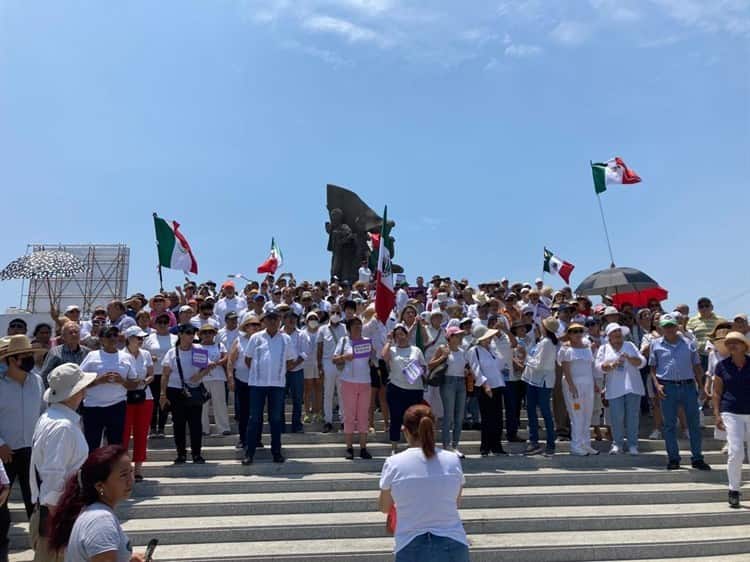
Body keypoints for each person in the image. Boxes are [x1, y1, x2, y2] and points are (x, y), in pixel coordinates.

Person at [378, 405, 469, 562]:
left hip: (410, 544)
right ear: (432, 429)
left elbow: (384, 507)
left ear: (404, 430)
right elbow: (455, 502)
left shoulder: (393, 463)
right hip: (453, 542)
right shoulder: (452, 460)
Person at [30, 363, 97, 562]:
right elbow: (53, 479)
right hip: (58, 517)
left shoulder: (50, 417)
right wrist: (61, 526)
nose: (85, 390)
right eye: (82, 386)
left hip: (54, 514)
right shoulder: (63, 426)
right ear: (74, 392)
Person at [47, 445, 146, 562]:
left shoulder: (93, 512)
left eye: (131, 471)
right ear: (100, 486)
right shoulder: (101, 520)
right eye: (123, 475)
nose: (131, 480)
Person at [0, 336, 45, 562]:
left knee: (35, 504)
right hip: (4, 454)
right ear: (12, 360)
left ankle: (41, 550)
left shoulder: (37, 381)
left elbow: (44, 412)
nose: (30, 359)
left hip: (32, 452)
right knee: (0, 506)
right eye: (25, 356)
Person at [649, 313, 711, 471]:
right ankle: (673, 458)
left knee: (694, 424)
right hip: (667, 386)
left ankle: (697, 458)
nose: (669, 329)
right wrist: (657, 385)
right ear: (661, 328)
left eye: (671, 326)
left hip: (688, 386)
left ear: (677, 326)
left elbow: (697, 365)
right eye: (666, 326)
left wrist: (702, 386)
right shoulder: (655, 344)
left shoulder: (688, 343)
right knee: (669, 425)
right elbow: (653, 367)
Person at [242, 310, 296, 465]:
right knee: (254, 419)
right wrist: (258, 373)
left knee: (276, 419)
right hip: (257, 385)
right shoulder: (256, 337)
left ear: (280, 321)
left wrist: (278, 372)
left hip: (277, 385)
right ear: (264, 321)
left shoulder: (286, 339)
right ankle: (249, 453)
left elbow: (291, 361)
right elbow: (247, 359)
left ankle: (277, 452)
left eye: (275, 319)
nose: (273, 322)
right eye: (269, 319)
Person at [79, 327, 139, 452]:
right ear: (101, 339)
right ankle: (91, 471)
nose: (112, 338)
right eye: (108, 335)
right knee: (91, 445)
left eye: (115, 335)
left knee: (115, 446)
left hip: (117, 406)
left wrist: (121, 381)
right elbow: (80, 381)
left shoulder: (127, 357)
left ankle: (113, 471)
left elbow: (134, 384)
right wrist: (98, 381)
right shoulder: (92, 356)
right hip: (93, 407)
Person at [595, 324, 646, 455]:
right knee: (617, 417)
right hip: (614, 388)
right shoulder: (604, 348)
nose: (617, 333)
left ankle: (633, 445)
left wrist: (629, 357)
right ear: (609, 336)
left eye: (619, 331)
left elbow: (642, 362)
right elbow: (599, 366)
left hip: (633, 387)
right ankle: (617, 444)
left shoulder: (630, 345)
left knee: (632, 417)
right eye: (614, 331)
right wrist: (612, 365)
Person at [160, 324, 207, 464]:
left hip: (194, 390)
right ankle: (181, 454)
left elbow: (207, 366)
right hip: (175, 391)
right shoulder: (172, 352)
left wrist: (199, 376)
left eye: (193, 333)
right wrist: (163, 394)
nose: (191, 335)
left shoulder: (198, 349)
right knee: (178, 424)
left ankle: (196, 454)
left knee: (195, 424)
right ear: (180, 334)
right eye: (188, 332)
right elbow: (165, 374)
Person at [713, 331, 750, 508]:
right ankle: (733, 490)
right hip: (731, 412)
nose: (732, 345)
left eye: (736, 342)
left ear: (744, 346)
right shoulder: (721, 366)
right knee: (736, 452)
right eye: (729, 343)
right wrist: (716, 414)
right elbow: (717, 392)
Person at [382, 324, 428, 455]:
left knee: (414, 419)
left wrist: (416, 369)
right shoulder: (392, 349)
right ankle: (394, 447)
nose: (400, 337)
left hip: (414, 389)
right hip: (396, 388)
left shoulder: (416, 350)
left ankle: (414, 445)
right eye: (397, 335)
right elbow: (384, 356)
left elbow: (424, 367)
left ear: (407, 335)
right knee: (396, 418)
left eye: (402, 334)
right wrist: (389, 340)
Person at [333, 317, 373, 459]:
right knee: (349, 415)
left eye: (359, 325)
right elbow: (334, 359)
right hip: (348, 381)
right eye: (355, 326)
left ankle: (363, 448)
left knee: (363, 415)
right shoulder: (343, 341)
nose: (358, 328)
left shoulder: (367, 341)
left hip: (365, 382)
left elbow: (373, 357)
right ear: (349, 329)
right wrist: (344, 357)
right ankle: (349, 448)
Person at [558, 323, 599, 456]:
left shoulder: (587, 348)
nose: (577, 334)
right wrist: (571, 385)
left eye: (580, 331)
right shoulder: (565, 349)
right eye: (574, 331)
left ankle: (586, 444)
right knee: (577, 415)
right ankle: (576, 445)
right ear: (569, 334)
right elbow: (565, 369)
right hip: (573, 386)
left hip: (588, 385)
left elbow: (590, 368)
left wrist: (594, 383)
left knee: (587, 415)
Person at [429, 326, 469, 457]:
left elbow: (465, 366)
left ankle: (455, 445)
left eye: (460, 336)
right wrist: (443, 357)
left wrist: (466, 371)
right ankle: (447, 445)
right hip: (448, 382)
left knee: (459, 416)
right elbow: (430, 365)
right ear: (450, 337)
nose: (460, 338)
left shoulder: (463, 351)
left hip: (461, 382)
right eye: (457, 335)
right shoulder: (442, 348)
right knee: (449, 415)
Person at [120, 327, 154, 482]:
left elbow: (151, 374)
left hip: (145, 396)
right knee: (124, 434)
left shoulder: (145, 354)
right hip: (125, 397)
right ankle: (124, 469)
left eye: (142, 338)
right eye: (137, 337)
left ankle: (138, 468)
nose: (141, 340)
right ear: (129, 338)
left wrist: (144, 381)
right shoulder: (121, 355)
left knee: (141, 434)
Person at [523, 317, 559, 456]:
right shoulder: (542, 342)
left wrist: (526, 357)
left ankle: (550, 444)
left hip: (542, 382)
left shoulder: (547, 343)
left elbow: (539, 364)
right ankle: (534, 442)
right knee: (532, 412)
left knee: (545, 413)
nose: (539, 327)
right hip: (534, 380)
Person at [469, 325, 506, 456]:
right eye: (487, 337)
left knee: (497, 418)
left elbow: (501, 364)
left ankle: (497, 446)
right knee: (487, 418)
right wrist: (485, 385)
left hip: (498, 385)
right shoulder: (474, 350)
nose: (490, 339)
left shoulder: (492, 349)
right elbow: (475, 369)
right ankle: (485, 446)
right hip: (486, 387)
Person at [228, 314, 261, 451]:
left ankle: (257, 439)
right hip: (242, 380)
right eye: (251, 325)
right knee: (243, 413)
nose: (254, 327)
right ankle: (243, 439)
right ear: (245, 327)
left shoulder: (262, 340)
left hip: (259, 381)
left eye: (256, 325)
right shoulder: (239, 340)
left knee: (257, 412)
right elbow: (231, 360)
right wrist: (230, 377)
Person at [142, 313, 176, 438]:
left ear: (169, 324)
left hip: (168, 375)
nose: (162, 325)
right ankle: (152, 428)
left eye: (165, 322)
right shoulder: (148, 338)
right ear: (155, 324)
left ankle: (161, 428)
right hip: (153, 374)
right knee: (153, 403)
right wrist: (150, 358)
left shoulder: (175, 338)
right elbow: (143, 354)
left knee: (164, 401)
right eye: (159, 322)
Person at [317, 304, 347, 433]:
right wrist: (319, 366)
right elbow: (319, 348)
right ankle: (328, 421)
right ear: (329, 314)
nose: (335, 314)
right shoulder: (322, 329)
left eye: (338, 312)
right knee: (328, 394)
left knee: (342, 394)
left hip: (342, 363)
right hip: (327, 363)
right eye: (333, 312)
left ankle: (343, 421)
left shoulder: (345, 328)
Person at [196, 325, 230, 437]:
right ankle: (203, 428)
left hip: (218, 377)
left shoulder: (220, 345)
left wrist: (219, 362)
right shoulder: (197, 347)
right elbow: (197, 362)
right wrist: (208, 364)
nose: (207, 334)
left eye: (210, 332)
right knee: (203, 404)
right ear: (200, 334)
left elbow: (226, 357)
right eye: (205, 332)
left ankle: (223, 428)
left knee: (220, 403)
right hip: (202, 378)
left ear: (214, 334)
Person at [40, 323, 90, 387]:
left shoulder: (87, 352)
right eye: (70, 333)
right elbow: (44, 374)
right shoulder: (55, 353)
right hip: (61, 391)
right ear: (63, 337)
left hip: (81, 391)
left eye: (76, 332)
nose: (74, 334)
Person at [281, 311, 306, 434]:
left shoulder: (301, 334)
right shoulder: (278, 334)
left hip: (297, 370)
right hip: (281, 371)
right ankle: (280, 425)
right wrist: (286, 365)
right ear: (284, 319)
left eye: (294, 318)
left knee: (297, 399)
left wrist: (293, 364)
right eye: (289, 318)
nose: (292, 321)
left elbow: (304, 353)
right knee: (279, 399)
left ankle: (297, 425)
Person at [687, 297, 727, 371]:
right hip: (700, 356)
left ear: (712, 307)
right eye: (701, 306)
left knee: (718, 378)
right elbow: (688, 337)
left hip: (717, 354)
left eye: (706, 306)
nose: (704, 308)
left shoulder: (721, 320)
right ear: (698, 309)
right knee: (702, 379)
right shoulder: (691, 321)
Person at [300, 312, 323, 424]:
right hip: (307, 364)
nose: (313, 320)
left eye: (315, 318)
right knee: (308, 389)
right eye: (310, 318)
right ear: (306, 320)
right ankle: (307, 413)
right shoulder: (302, 333)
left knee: (318, 388)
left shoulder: (322, 332)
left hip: (319, 363)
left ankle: (318, 412)